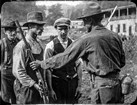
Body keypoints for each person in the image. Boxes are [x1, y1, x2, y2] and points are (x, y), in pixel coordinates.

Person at [30, 2, 125, 104]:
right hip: (117, 84)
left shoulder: (87, 39)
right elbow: (122, 62)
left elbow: (65, 57)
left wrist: (42, 63)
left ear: (90, 20)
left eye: (85, 21)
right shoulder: (115, 36)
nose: (84, 24)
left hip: (101, 86)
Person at [43, 17, 82, 104]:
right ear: (56, 29)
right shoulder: (50, 46)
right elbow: (48, 69)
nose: (63, 32)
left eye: (66, 29)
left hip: (72, 83)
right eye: (60, 29)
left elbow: (79, 65)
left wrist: (79, 86)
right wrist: (50, 89)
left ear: (69, 29)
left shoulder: (75, 44)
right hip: (58, 84)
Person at [12, 11, 46, 104]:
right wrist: (33, 84)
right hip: (26, 90)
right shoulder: (21, 46)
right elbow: (18, 71)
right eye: (38, 26)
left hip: (40, 87)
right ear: (30, 26)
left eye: (42, 26)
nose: (42, 28)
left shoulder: (39, 43)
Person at [0, 20, 19, 104]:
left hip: (17, 75)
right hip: (6, 75)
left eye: (15, 30)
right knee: (5, 97)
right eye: (10, 31)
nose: (13, 33)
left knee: (17, 97)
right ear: (5, 32)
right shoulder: (2, 43)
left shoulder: (19, 43)